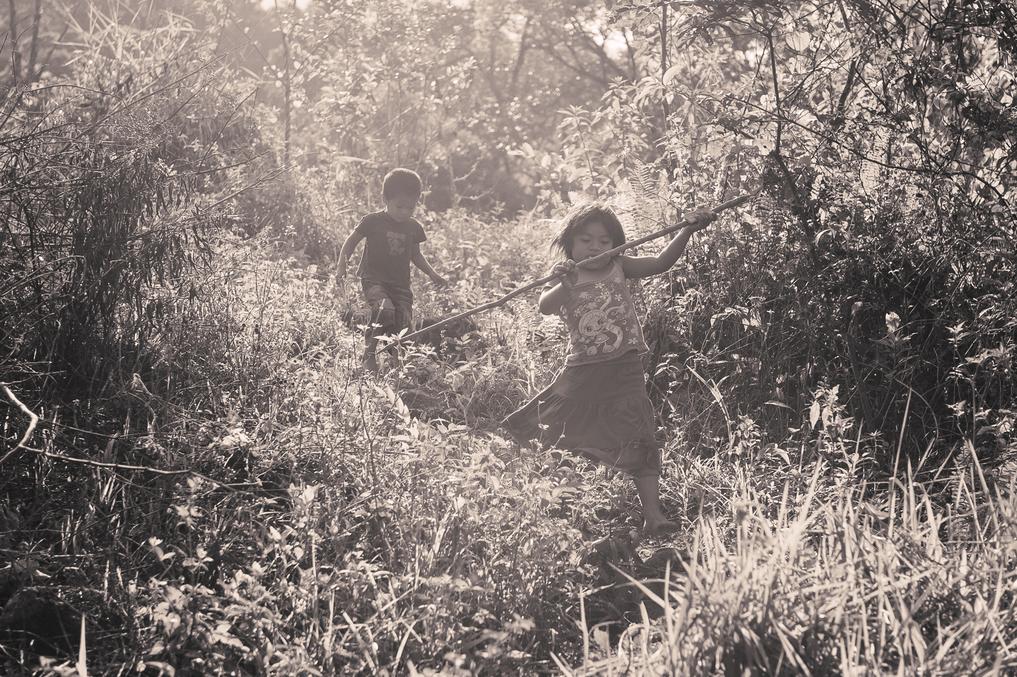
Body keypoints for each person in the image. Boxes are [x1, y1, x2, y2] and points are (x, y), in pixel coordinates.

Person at [503, 202, 715, 535]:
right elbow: (545, 307)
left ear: (616, 244)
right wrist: (565, 281)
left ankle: (653, 517)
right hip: (583, 372)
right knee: (551, 426)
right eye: (586, 239)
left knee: (642, 436)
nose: (596, 247)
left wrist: (687, 229)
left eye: (605, 240)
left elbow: (661, 262)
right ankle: (543, 498)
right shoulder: (566, 276)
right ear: (570, 243)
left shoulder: (620, 266)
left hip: (625, 367)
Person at [338, 168, 447, 372]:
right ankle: (368, 354)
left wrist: (432, 273)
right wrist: (341, 266)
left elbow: (415, 255)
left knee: (404, 325)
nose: (405, 212)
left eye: (410, 207)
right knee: (383, 309)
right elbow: (351, 242)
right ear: (385, 199)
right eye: (399, 206)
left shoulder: (414, 227)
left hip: (401, 285)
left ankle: (399, 368)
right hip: (374, 280)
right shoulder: (372, 221)